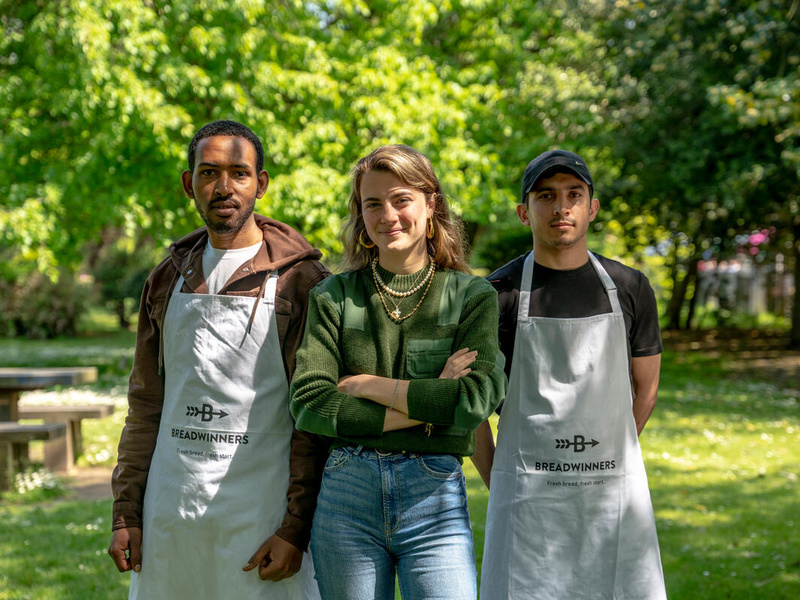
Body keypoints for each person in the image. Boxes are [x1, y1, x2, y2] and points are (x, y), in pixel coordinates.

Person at [107, 120, 328, 600]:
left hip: (262, 518)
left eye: (239, 173)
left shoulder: (301, 281)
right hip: (172, 513)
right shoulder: (166, 279)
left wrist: (295, 528)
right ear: (190, 184)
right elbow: (145, 404)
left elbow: (314, 420)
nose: (223, 187)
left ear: (261, 184)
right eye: (208, 173)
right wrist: (127, 514)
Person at [289, 144, 507, 600]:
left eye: (401, 199)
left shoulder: (472, 296)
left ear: (431, 207)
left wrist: (371, 386)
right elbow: (309, 404)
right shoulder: (334, 297)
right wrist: (430, 408)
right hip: (347, 494)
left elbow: (475, 400)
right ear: (361, 215)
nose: (387, 214)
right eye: (373, 203)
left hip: (435, 498)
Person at [477, 150, 667, 599]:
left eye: (573, 194)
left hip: (611, 498)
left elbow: (647, 388)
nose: (561, 207)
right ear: (525, 212)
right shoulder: (495, 296)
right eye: (546, 196)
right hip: (527, 500)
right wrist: (502, 479)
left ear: (592, 208)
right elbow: (473, 409)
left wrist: (606, 457)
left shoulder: (630, 287)